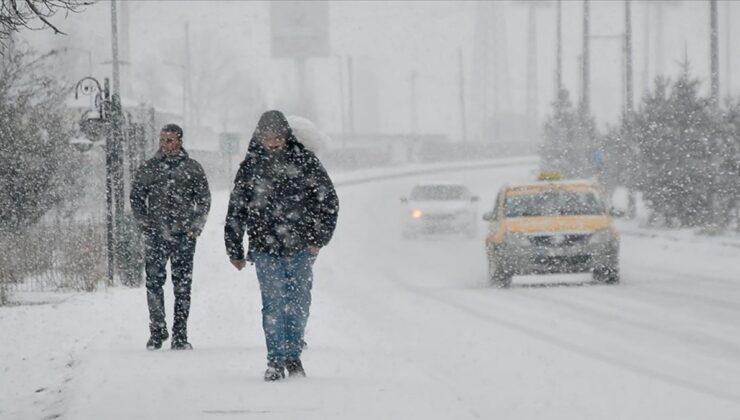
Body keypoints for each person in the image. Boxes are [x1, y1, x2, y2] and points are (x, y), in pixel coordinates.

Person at [224, 110, 338, 381]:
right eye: (267, 137)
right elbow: (237, 208)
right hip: (265, 248)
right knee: (274, 305)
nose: (273, 142)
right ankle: (275, 361)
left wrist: (317, 240)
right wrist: (234, 248)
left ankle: (293, 355)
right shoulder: (251, 166)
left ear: (286, 136)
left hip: (300, 248)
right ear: (259, 137)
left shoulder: (306, 162)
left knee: (298, 304)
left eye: (277, 137)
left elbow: (328, 202)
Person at [130, 123, 211, 351]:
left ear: (180, 141)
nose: (165, 144)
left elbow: (203, 200)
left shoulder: (192, 168)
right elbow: (136, 197)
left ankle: (180, 335)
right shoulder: (149, 168)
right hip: (156, 235)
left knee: (182, 286)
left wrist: (195, 228)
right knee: (154, 283)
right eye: (162, 139)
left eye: (170, 140)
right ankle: (157, 330)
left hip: (184, 235)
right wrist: (145, 224)